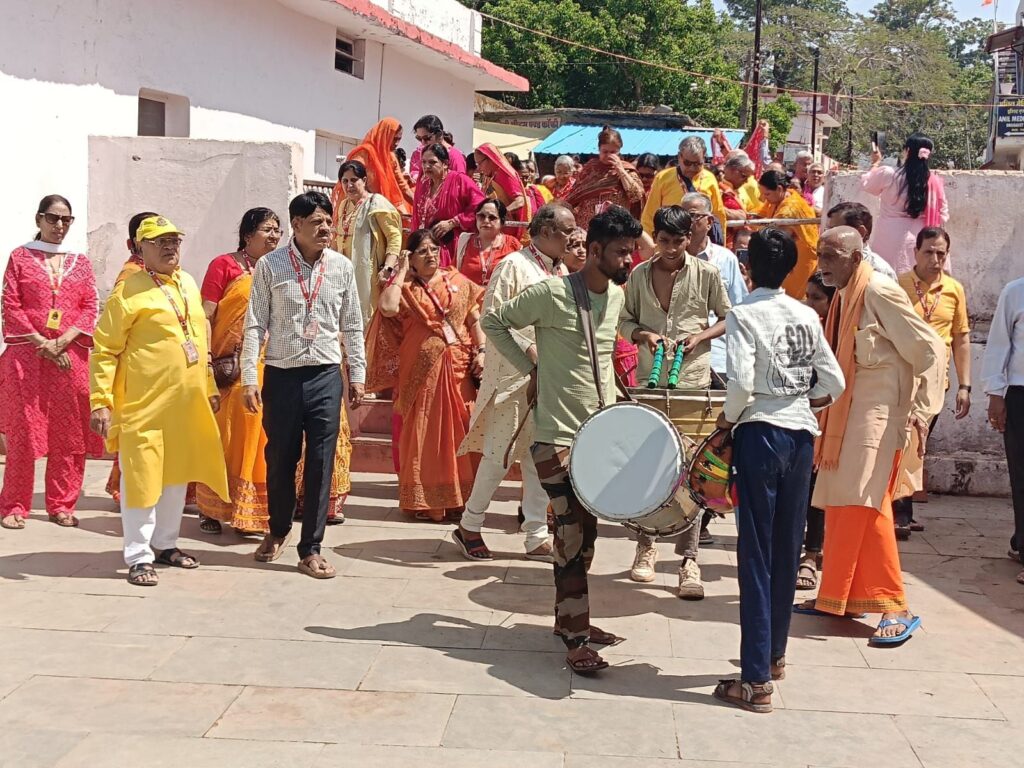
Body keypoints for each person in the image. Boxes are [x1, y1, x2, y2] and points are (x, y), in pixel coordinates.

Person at [483, 205, 641, 675]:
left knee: (586, 536)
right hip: (555, 440)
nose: (628, 260)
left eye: (631, 251)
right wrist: (530, 366)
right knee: (571, 534)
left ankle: (568, 618)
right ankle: (576, 638)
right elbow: (494, 322)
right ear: (594, 250)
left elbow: (605, 355)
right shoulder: (551, 293)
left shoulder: (616, 296)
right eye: (621, 252)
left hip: (597, 438)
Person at [712, 228, 845, 714]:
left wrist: (726, 422)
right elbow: (835, 381)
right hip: (800, 435)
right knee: (788, 548)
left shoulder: (744, 314)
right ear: (791, 270)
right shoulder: (807, 314)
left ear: (748, 268)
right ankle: (774, 656)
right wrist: (805, 401)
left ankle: (755, 680)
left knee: (755, 553)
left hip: (760, 433)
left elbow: (741, 383)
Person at [798, 227, 945, 645]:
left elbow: (931, 349)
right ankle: (840, 597)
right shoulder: (844, 294)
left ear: (857, 257)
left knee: (865, 503)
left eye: (832, 256)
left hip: (880, 416)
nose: (823, 265)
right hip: (846, 415)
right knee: (842, 502)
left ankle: (895, 605)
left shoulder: (879, 291)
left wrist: (922, 411)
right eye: (820, 255)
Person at [90, 216, 229, 585]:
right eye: (160, 241)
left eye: (174, 241)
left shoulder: (187, 282)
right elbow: (104, 350)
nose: (170, 247)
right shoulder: (128, 291)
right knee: (141, 478)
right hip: (143, 406)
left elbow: (197, 339)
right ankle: (138, 556)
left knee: (176, 478)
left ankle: (165, 544)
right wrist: (100, 400)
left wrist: (209, 386)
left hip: (185, 405)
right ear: (141, 248)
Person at [241, 192, 366, 579]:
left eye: (328, 221)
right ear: (296, 225)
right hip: (281, 375)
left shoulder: (342, 267)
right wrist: (249, 376)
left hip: (326, 375)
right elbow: (254, 323)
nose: (326, 228)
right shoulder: (271, 265)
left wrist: (357, 374)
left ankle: (311, 547)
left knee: (320, 461)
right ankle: (278, 529)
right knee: (280, 457)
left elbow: (353, 324)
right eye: (316, 222)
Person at [618, 205, 731, 597]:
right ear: (655, 238)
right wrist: (644, 336)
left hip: (692, 382)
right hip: (650, 383)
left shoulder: (707, 273)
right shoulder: (639, 274)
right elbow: (625, 321)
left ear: (690, 238)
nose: (669, 248)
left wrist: (700, 337)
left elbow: (728, 317)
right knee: (648, 466)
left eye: (677, 241)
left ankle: (689, 560)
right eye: (663, 241)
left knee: (693, 472)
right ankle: (646, 547)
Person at [455, 204, 575, 560]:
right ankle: (469, 525)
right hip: (513, 375)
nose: (573, 238)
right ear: (547, 232)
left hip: (550, 377)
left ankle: (535, 533)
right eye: (567, 231)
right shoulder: (513, 265)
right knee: (499, 454)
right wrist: (530, 352)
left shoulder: (560, 269)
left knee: (540, 456)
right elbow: (492, 318)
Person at [366, 229, 485, 522]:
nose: (430, 255)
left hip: (458, 367)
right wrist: (402, 270)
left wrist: (482, 350)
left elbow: (475, 320)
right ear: (412, 258)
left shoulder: (457, 281)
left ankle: (459, 499)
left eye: (434, 249)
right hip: (419, 370)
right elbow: (387, 307)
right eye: (422, 251)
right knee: (423, 430)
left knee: (461, 428)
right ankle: (424, 501)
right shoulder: (405, 287)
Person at [0, 195, 102, 530]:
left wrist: (63, 341)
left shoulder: (80, 262)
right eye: (53, 218)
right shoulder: (20, 257)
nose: (59, 225)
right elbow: (10, 304)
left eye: (66, 219)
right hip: (27, 357)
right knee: (23, 433)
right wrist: (41, 342)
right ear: (39, 219)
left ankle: (62, 503)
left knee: (69, 433)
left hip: (69, 357)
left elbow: (90, 305)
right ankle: (14, 504)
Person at [194, 208, 282, 535]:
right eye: (267, 229)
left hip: (266, 364)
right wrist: (206, 357)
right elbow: (206, 315)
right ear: (247, 235)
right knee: (223, 436)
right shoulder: (224, 265)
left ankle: (249, 513)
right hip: (228, 366)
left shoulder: (279, 268)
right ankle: (211, 508)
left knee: (258, 436)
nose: (274, 236)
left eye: (278, 230)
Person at [893, 227, 971, 538]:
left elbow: (961, 338)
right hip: (901, 379)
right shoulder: (899, 285)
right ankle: (899, 512)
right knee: (901, 443)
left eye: (941, 253)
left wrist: (965, 386)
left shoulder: (954, 290)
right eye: (929, 252)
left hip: (936, 385)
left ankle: (902, 511)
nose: (935, 259)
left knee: (918, 444)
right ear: (916, 252)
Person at [103, 210, 158, 504]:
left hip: (161, 372)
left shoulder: (163, 274)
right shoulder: (130, 277)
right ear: (133, 244)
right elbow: (114, 335)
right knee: (137, 438)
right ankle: (128, 492)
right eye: (151, 239)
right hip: (137, 371)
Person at [678, 192, 749, 386]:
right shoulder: (669, 260)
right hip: (677, 359)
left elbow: (738, 311)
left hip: (717, 359)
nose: (686, 223)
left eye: (693, 216)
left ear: (709, 222)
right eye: (682, 216)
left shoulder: (725, 259)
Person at [795, 271, 837, 591]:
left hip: (831, 417)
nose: (809, 303)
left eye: (817, 298)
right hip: (804, 415)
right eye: (807, 296)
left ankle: (811, 554)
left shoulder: (842, 332)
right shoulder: (802, 326)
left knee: (817, 489)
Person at [981, 275, 1024, 586]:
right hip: (1021, 394)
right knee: (1021, 474)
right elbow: (999, 345)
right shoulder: (1015, 291)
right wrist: (995, 394)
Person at [861, 132, 948, 275]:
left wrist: (875, 163)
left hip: (888, 236)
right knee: (915, 281)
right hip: (920, 239)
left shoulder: (889, 174)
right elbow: (943, 214)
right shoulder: (934, 182)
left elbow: (867, 184)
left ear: (907, 151)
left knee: (886, 279)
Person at [331, 159, 403, 327]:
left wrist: (388, 268)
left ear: (364, 180)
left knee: (366, 317)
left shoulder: (376, 203)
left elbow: (394, 236)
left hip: (368, 272)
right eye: (345, 181)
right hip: (343, 271)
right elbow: (339, 237)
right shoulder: (344, 205)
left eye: (354, 180)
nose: (349, 185)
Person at [411, 143, 487, 269]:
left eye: (432, 162)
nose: (426, 166)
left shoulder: (460, 180)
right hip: (427, 246)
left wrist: (453, 222)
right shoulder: (423, 184)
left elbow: (481, 205)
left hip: (453, 246)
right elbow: (417, 216)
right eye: (424, 162)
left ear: (445, 163)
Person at [642, 136, 726, 238]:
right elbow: (650, 215)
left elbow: (718, 214)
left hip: (700, 240)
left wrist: (721, 242)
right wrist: (651, 243)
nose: (692, 168)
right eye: (687, 163)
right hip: (671, 240)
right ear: (679, 157)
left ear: (704, 158)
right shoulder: (663, 178)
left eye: (697, 164)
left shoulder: (710, 179)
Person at [564, 126, 645, 231]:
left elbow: (636, 197)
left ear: (619, 151)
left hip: (615, 228)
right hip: (588, 228)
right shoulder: (590, 169)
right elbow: (575, 195)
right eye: (605, 151)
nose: (608, 155)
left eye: (613, 152)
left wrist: (620, 170)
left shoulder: (628, 171)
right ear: (599, 150)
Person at [756, 170, 819, 300]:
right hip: (789, 256)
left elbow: (774, 234)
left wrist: (755, 226)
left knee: (794, 300)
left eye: (767, 194)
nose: (764, 198)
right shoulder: (780, 197)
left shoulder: (789, 210)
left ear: (779, 189)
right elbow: (760, 214)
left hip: (801, 259)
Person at [344, 117, 414, 214]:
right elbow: (352, 180)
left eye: (399, 139)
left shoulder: (391, 157)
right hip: (362, 207)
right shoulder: (364, 154)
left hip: (385, 206)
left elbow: (402, 186)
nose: (397, 143)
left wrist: (420, 206)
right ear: (384, 135)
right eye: (394, 139)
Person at [824, 202, 899, 282]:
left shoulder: (879, 271)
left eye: (834, 230)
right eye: (827, 230)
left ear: (860, 232)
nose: (826, 236)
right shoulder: (826, 263)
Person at [456, 199, 522, 287]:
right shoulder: (465, 242)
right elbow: (454, 273)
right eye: (481, 216)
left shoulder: (513, 245)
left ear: (502, 221)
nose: (486, 221)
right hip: (468, 294)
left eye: (492, 217)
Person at [475, 143, 533, 237]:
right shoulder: (490, 176)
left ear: (490, 159)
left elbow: (520, 201)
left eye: (480, 163)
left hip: (506, 233)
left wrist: (499, 213)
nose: (478, 168)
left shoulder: (505, 175)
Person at [409, 114, 467, 183]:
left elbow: (459, 184)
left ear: (439, 135)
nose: (423, 142)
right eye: (419, 138)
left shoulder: (455, 157)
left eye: (426, 138)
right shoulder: (422, 153)